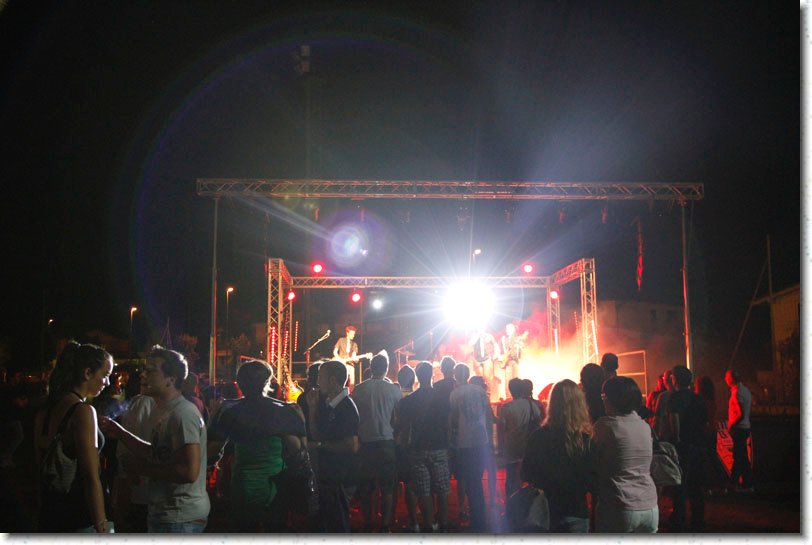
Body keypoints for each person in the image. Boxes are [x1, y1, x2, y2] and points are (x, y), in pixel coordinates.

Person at [100, 346, 210, 533]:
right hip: (166, 513)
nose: (143, 375)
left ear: (171, 379)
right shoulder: (164, 410)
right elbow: (160, 453)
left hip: (180, 518)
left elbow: (189, 472)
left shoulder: (183, 414)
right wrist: (120, 433)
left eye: (151, 371)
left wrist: (142, 468)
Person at [206, 360, 307, 532]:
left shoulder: (230, 411)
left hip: (242, 486)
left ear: (239, 383)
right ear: (268, 382)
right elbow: (299, 450)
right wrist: (301, 423)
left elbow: (212, 450)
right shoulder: (283, 410)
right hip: (275, 487)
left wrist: (212, 418)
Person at [35, 341, 114, 533]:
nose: (108, 383)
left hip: (50, 511)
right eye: (105, 375)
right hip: (79, 515)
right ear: (87, 373)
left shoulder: (44, 411)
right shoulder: (83, 412)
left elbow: (39, 467)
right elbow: (90, 476)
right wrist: (101, 525)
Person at [521, 379, 596, 533]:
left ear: (552, 404)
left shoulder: (538, 436)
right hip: (576, 510)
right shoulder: (587, 439)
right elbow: (593, 479)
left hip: (546, 512)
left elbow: (525, 474)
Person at [593, 376, 658, 533]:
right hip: (650, 505)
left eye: (604, 396)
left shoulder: (605, 426)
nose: (603, 401)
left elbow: (591, 459)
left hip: (619, 505)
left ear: (612, 399)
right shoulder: (644, 426)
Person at [305, 360, 360, 532]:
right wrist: (312, 409)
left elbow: (351, 446)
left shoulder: (346, 407)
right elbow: (317, 435)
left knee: (337, 523)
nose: (317, 382)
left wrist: (319, 445)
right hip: (328, 474)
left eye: (320, 377)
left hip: (341, 477)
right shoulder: (328, 404)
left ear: (333, 380)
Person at [351, 350, 403, 532]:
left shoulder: (359, 390)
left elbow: (355, 417)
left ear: (371, 368)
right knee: (387, 488)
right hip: (387, 441)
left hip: (366, 442)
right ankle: (385, 525)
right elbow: (398, 418)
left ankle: (368, 522)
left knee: (367, 487)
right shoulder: (393, 390)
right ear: (386, 369)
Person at [396, 361, 451, 532]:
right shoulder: (443, 398)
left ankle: (429, 524)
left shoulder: (409, 401)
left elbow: (404, 428)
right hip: (439, 446)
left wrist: (404, 448)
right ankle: (443, 524)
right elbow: (448, 424)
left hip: (418, 448)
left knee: (423, 489)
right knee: (442, 488)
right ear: (432, 375)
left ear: (417, 378)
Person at [665, 365, 708, 532]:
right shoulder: (698, 398)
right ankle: (698, 521)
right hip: (698, 445)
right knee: (696, 485)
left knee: (680, 485)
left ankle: (679, 521)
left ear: (675, 379)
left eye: (672, 378)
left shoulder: (674, 398)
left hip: (682, 446)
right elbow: (704, 423)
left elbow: (674, 422)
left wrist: (675, 440)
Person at [448, 363, 489, 532]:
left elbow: (453, 418)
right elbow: (486, 411)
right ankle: (480, 515)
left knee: (468, 478)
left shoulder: (454, 394)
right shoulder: (479, 390)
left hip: (465, 442)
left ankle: (475, 517)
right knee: (477, 478)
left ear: (455, 376)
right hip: (481, 439)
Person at [113, 373, 155, 532]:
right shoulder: (144, 402)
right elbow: (127, 450)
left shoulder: (145, 403)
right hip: (144, 489)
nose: (144, 375)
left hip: (145, 490)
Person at [501, 378, 542, 499]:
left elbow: (502, 428)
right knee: (529, 477)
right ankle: (529, 502)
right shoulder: (531, 405)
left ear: (510, 390)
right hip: (527, 447)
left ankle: (511, 502)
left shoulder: (506, 407)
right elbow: (539, 422)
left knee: (511, 476)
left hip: (511, 447)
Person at [392, 364, 419, 532]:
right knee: (411, 483)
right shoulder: (416, 398)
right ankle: (415, 520)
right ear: (414, 379)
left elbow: (394, 422)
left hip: (397, 443)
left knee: (394, 483)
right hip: (413, 443)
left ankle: (391, 517)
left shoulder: (395, 397)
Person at [725, 369, 753, 492]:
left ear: (731, 379)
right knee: (742, 457)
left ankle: (734, 483)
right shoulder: (745, 390)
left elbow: (740, 414)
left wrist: (731, 425)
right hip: (745, 427)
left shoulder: (737, 393)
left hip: (739, 428)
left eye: (727, 377)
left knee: (739, 456)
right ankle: (746, 483)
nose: (725, 379)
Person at [468, 328, 500, 401]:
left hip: (487, 359)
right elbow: (470, 344)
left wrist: (496, 354)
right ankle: (479, 397)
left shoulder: (489, 336)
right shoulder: (474, 336)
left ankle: (487, 397)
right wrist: (477, 335)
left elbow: (495, 344)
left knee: (487, 379)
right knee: (479, 379)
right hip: (477, 360)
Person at [500, 324, 527, 392]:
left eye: (509, 329)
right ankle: (508, 395)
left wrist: (520, 347)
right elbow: (500, 350)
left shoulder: (518, 339)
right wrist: (501, 358)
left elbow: (522, 349)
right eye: (506, 329)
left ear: (513, 330)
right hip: (507, 362)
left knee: (516, 379)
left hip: (516, 361)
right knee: (508, 379)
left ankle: (516, 394)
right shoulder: (503, 339)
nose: (507, 330)